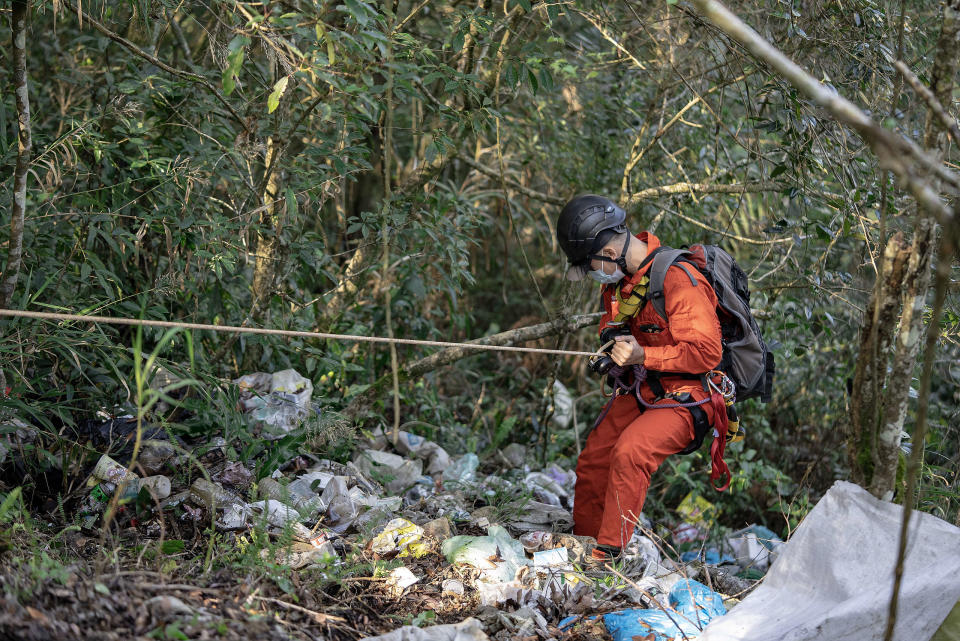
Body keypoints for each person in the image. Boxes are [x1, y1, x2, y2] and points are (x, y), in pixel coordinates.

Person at [557, 194, 723, 561]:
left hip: (688, 394)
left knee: (632, 450)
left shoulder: (679, 279)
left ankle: (607, 556)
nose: (593, 274)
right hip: (642, 386)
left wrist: (643, 354)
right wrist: (611, 348)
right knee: (595, 459)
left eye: (591, 264)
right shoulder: (620, 282)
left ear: (611, 249)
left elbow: (708, 353)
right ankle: (583, 541)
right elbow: (615, 323)